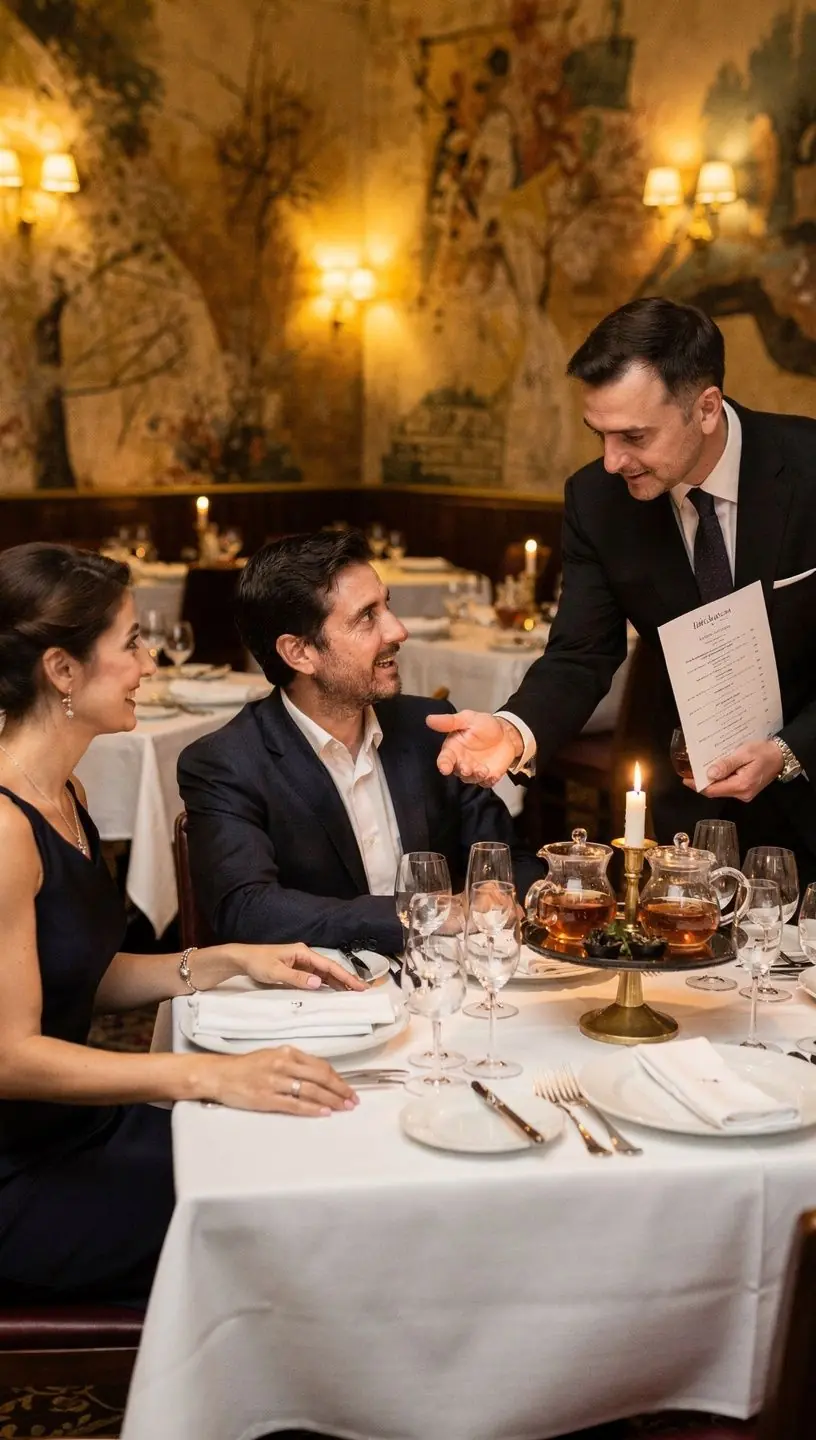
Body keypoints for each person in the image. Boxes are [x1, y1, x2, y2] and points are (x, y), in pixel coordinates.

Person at [0, 543, 361, 1307]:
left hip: (76, 1129)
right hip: (22, 1178)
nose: (149, 664)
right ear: (61, 670)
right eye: (132, 643)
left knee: (290, 1149)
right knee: (285, 1208)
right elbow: (10, 1057)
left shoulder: (64, 793)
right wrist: (206, 1074)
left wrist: (229, 959)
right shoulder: (4, 829)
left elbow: (82, 973)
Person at [428, 297, 816, 885]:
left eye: (633, 436)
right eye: (600, 435)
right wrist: (514, 730)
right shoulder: (597, 501)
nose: (612, 462)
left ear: (706, 407)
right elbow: (580, 652)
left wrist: (789, 751)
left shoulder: (808, 468)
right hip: (694, 811)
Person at [178, 531, 542, 952]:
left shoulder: (427, 728)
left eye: (387, 605)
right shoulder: (228, 762)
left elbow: (514, 861)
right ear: (299, 653)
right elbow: (247, 908)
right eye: (367, 616)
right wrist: (424, 913)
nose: (398, 630)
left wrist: (496, 891)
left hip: (442, 977)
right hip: (319, 988)